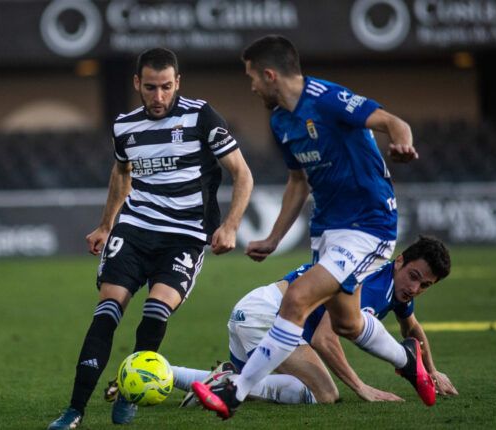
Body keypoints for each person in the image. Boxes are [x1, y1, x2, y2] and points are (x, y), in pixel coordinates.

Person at [193, 35, 427, 420]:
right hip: (327, 229)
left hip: (370, 225)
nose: (250, 86)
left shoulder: (325, 97)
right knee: (348, 323)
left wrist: (402, 143)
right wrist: (273, 238)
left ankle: (236, 390)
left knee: (297, 297)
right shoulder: (281, 120)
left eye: (252, 77)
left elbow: (391, 122)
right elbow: (298, 182)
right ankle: (408, 360)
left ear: (270, 75)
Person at [47, 47, 253, 429]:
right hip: (135, 229)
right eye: (151, 88)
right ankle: (74, 409)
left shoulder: (200, 116)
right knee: (107, 312)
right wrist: (106, 224)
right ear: (137, 84)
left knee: (156, 311)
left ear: (178, 83)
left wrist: (231, 226)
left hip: (185, 237)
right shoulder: (125, 126)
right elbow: (121, 173)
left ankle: (130, 392)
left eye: (166, 87)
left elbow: (242, 173)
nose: (159, 97)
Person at [177, 236, 456, 406]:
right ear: (399, 261)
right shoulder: (370, 285)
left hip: (253, 310)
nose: (415, 288)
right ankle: (230, 381)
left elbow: (412, 328)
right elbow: (324, 338)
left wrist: (431, 371)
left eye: (425, 285)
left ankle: (171, 373)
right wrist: (361, 387)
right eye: (414, 276)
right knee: (324, 393)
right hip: (267, 318)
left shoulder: (395, 286)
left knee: (267, 384)